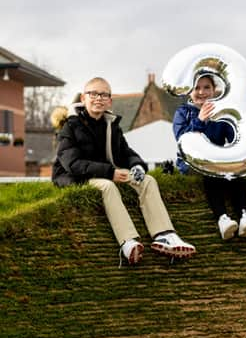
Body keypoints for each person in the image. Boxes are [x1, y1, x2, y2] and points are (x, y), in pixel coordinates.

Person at [52, 77, 196, 265]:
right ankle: (128, 242)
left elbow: (126, 153)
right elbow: (73, 164)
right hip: (75, 177)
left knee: (148, 181)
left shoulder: (111, 124)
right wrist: (109, 172)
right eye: (93, 94)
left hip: (108, 171)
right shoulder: (69, 127)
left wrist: (137, 166)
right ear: (83, 98)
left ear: (110, 101)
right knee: (107, 186)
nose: (98, 98)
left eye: (104, 95)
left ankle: (164, 235)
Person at [172, 71, 246, 240]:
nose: (202, 92)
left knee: (235, 172)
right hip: (191, 164)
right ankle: (222, 218)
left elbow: (235, 138)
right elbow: (183, 140)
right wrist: (200, 120)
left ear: (214, 90)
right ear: (190, 90)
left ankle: (244, 216)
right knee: (211, 172)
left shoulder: (221, 112)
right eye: (197, 88)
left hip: (218, 160)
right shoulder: (182, 112)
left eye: (206, 87)